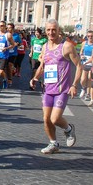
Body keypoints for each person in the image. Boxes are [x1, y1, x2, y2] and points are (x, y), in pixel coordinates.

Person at [29, 19, 81, 154]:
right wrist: (35, 78)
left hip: (62, 90)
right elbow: (43, 66)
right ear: (45, 31)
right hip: (48, 88)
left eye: (54, 30)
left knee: (55, 118)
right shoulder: (45, 46)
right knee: (46, 119)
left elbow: (79, 66)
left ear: (59, 31)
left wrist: (74, 85)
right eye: (48, 30)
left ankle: (69, 129)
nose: (51, 32)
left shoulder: (67, 46)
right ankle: (53, 143)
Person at [0, 21, 16, 91]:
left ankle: (5, 79)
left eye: (2, 25)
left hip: (4, 55)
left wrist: (6, 48)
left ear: (5, 27)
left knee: (1, 71)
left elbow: (13, 44)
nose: (0, 27)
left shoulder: (8, 35)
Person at [79, 30, 93, 101]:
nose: (90, 37)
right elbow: (81, 51)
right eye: (88, 36)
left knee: (90, 78)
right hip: (85, 62)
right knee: (83, 79)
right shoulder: (84, 43)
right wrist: (81, 55)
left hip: (92, 62)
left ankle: (88, 94)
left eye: (91, 36)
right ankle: (83, 88)